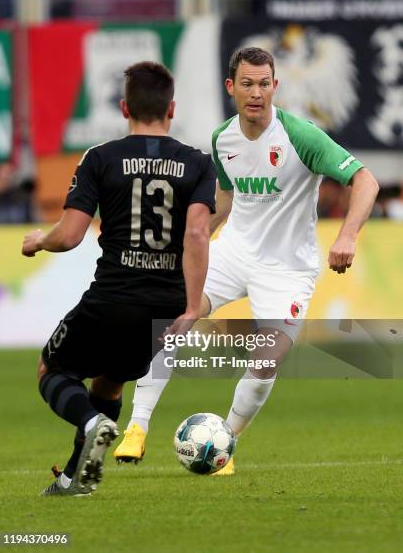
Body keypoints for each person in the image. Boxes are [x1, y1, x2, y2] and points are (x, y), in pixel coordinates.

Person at [114, 46, 379, 474]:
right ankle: (137, 428)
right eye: (247, 84)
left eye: (264, 83)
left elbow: (365, 181)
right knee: (173, 319)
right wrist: (196, 237)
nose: (256, 92)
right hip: (234, 252)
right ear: (231, 87)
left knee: (266, 356)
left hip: (287, 267)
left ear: (275, 86)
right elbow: (224, 199)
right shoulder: (223, 139)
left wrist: (348, 234)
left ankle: (225, 444)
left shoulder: (300, 136)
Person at [21, 61, 216, 495]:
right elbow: (198, 233)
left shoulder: (102, 158)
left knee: (51, 369)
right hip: (164, 305)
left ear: (125, 106)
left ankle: (91, 423)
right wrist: (190, 307)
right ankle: (77, 478)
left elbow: (70, 235)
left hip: (113, 295)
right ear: (172, 108)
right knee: (109, 380)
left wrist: (38, 241)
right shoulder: (198, 163)